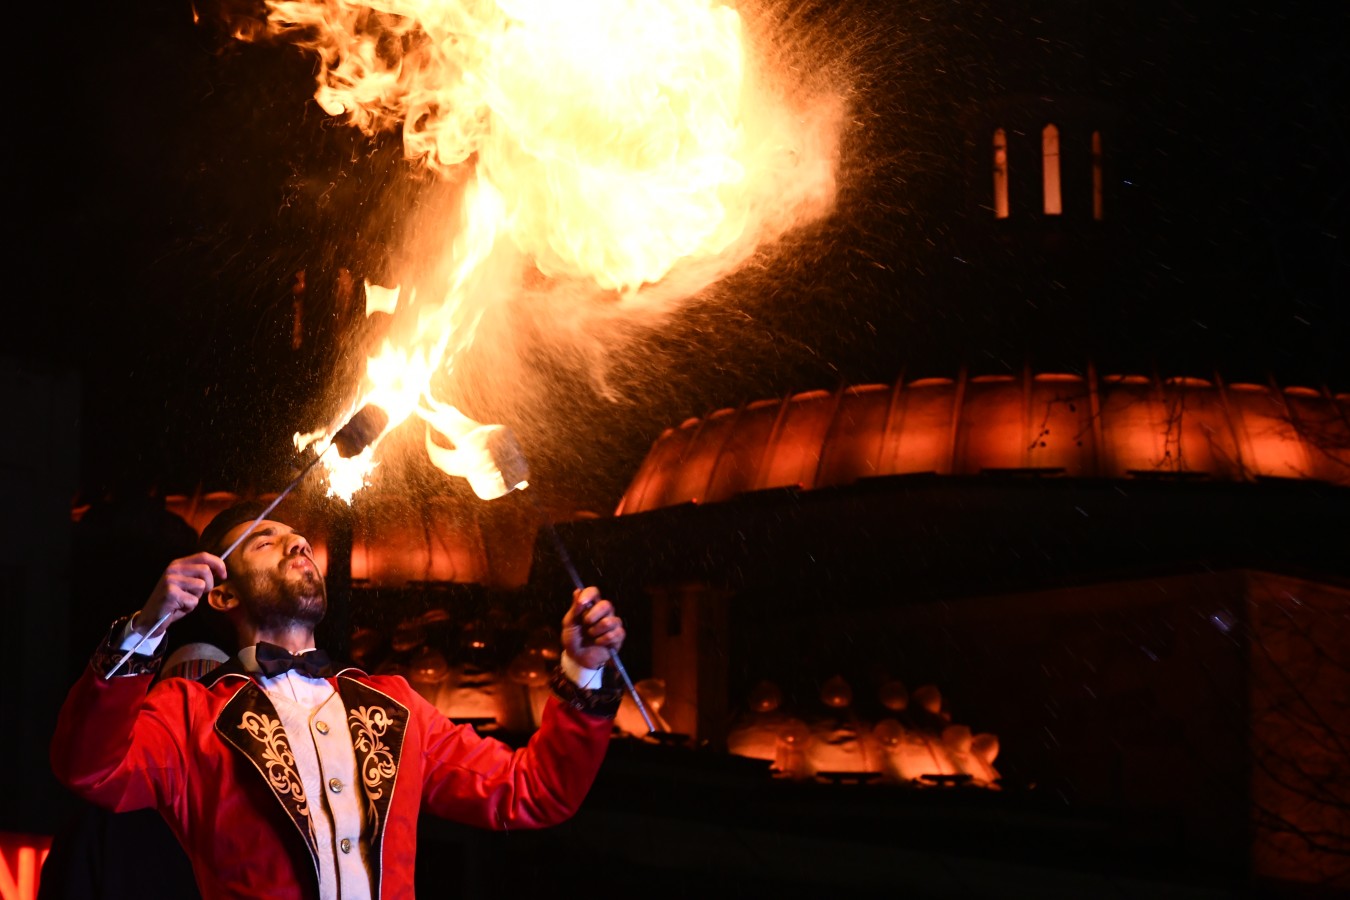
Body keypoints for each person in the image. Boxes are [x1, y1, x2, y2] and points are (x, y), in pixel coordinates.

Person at [51, 502, 626, 900]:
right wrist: (145, 628)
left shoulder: (395, 706)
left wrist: (585, 668)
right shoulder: (190, 713)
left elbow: (534, 791)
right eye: (266, 541)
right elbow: (90, 768)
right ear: (221, 594)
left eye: (297, 537)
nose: (297, 542)